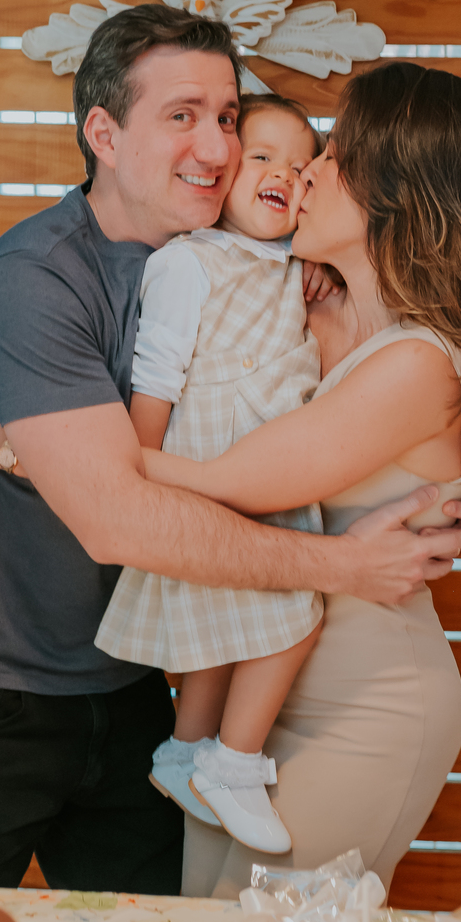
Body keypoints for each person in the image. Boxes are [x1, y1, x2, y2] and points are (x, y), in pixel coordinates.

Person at [0, 6, 461, 896]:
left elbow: (396, 389)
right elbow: (116, 516)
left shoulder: (261, 273)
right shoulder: (37, 280)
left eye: (228, 117)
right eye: (181, 116)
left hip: (135, 689)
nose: (217, 147)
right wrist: (346, 564)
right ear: (104, 134)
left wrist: (444, 485)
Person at [140, 60, 461, 899]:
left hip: (365, 711)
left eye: (335, 157)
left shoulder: (421, 365)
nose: (305, 172)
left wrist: (40, 451)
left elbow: (236, 480)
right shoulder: (310, 308)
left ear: (399, 193)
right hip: (251, 706)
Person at [95, 94, 331, 856]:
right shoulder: (190, 262)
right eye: (261, 157)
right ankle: (231, 761)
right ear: (222, 179)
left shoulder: (296, 268)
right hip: (208, 464)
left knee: (222, 633)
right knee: (291, 613)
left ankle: (184, 749)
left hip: (266, 463)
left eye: (299, 168)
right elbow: (157, 372)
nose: (281, 175)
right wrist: (143, 474)